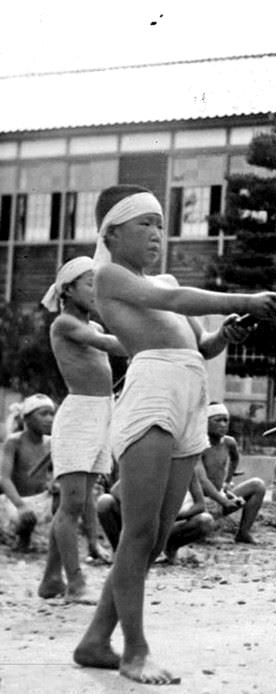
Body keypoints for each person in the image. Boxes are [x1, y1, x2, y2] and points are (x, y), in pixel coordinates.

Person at [73, 184, 276, 686]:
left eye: (160, 224)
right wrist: (248, 298)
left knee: (152, 541)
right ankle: (135, 651)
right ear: (111, 233)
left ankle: (94, 641)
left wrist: (225, 335)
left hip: (189, 391)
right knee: (139, 532)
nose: (156, 234)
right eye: (143, 224)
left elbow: (200, 345)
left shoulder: (162, 280)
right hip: (152, 392)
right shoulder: (108, 275)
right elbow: (172, 300)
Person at [37, 257, 127, 602]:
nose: (97, 291)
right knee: (71, 504)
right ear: (68, 289)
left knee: (79, 501)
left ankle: (50, 580)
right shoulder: (63, 324)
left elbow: (109, 339)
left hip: (102, 414)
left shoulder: (95, 327)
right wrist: (147, 338)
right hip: (78, 417)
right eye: (90, 283)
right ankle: (75, 583)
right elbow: (111, 345)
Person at [96, 473, 213, 564]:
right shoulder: (150, 460)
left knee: (205, 521)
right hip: (138, 522)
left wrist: (169, 516)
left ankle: (169, 547)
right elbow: (116, 490)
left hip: (166, 525)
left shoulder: (187, 467)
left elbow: (200, 505)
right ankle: (120, 551)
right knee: (105, 501)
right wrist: (137, 512)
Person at [199, 402, 266, 544]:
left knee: (258, 485)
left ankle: (243, 533)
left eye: (226, 420)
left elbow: (235, 459)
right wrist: (224, 500)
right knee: (203, 523)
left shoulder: (229, 442)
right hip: (199, 503)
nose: (223, 424)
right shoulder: (198, 444)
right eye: (218, 420)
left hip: (220, 498)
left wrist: (227, 482)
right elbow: (202, 481)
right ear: (205, 422)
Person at [0, 395, 56, 552]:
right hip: (17, 501)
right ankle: (20, 538)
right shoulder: (13, 442)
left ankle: (57, 541)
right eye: (43, 414)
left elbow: (57, 472)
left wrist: (55, 483)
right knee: (25, 520)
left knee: (64, 496)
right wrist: (21, 505)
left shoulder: (51, 443)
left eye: (52, 414)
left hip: (41, 500)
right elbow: (4, 479)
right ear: (26, 418)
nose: (49, 419)